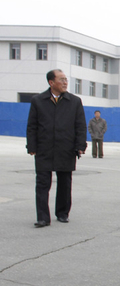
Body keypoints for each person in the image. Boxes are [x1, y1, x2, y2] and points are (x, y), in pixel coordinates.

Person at [26, 69, 87, 227]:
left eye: (66, 79)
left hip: (66, 148)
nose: (65, 82)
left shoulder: (74, 101)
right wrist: (31, 145)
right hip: (44, 148)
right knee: (42, 183)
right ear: (51, 82)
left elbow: (80, 126)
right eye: (61, 79)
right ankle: (43, 217)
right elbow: (32, 126)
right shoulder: (38, 101)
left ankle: (62, 213)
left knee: (65, 182)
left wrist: (80, 145)